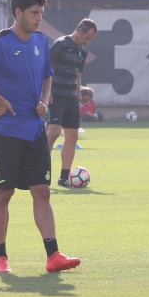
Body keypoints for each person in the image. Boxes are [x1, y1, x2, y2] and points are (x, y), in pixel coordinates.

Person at [0, 0, 81, 274]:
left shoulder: (40, 41)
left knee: (42, 191)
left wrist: (44, 100)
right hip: (6, 132)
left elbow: (48, 77)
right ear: (18, 12)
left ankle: (53, 255)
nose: (39, 18)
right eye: (34, 13)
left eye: (41, 13)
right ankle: (1, 258)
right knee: (3, 195)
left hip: (35, 131)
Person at [46, 18, 97, 186]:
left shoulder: (82, 51)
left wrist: (78, 95)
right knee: (53, 133)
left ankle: (63, 177)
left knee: (72, 137)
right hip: (56, 97)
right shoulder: (60, 44)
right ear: (80, 30)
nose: (88, 42)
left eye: (91, 39)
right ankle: (40, 173)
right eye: (87, 37)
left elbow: (78, 74)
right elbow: (44, 66)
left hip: (71, 99)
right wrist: (47, 91)